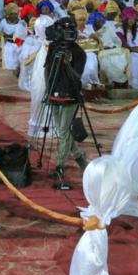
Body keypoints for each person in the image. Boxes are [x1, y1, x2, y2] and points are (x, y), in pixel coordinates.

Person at [42, 16, 89, 181]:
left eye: (71, 31)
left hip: (71, 95)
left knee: (63, 131)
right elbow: (47, 68)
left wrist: (67, 63)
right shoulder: (53, 46)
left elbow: (77, 78)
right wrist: (48, 90)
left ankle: (60, 166)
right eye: (65, 30)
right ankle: (79, 156)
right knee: (64, 131)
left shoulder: (79, 53)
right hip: (54, 92)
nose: (68, 34)